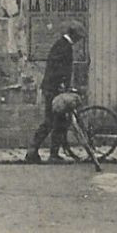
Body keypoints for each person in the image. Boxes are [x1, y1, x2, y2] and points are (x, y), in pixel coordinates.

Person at [25, 24, 84, 164]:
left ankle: (48, 153)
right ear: (74, 35)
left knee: (57, 122)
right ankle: (36, 152)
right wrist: (62, 85)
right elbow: (58, 69)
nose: (79, 41)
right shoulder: (64, 47)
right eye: (79, 37)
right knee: (52, 121)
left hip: (54, 88)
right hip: (54, 90)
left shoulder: (61, 44)